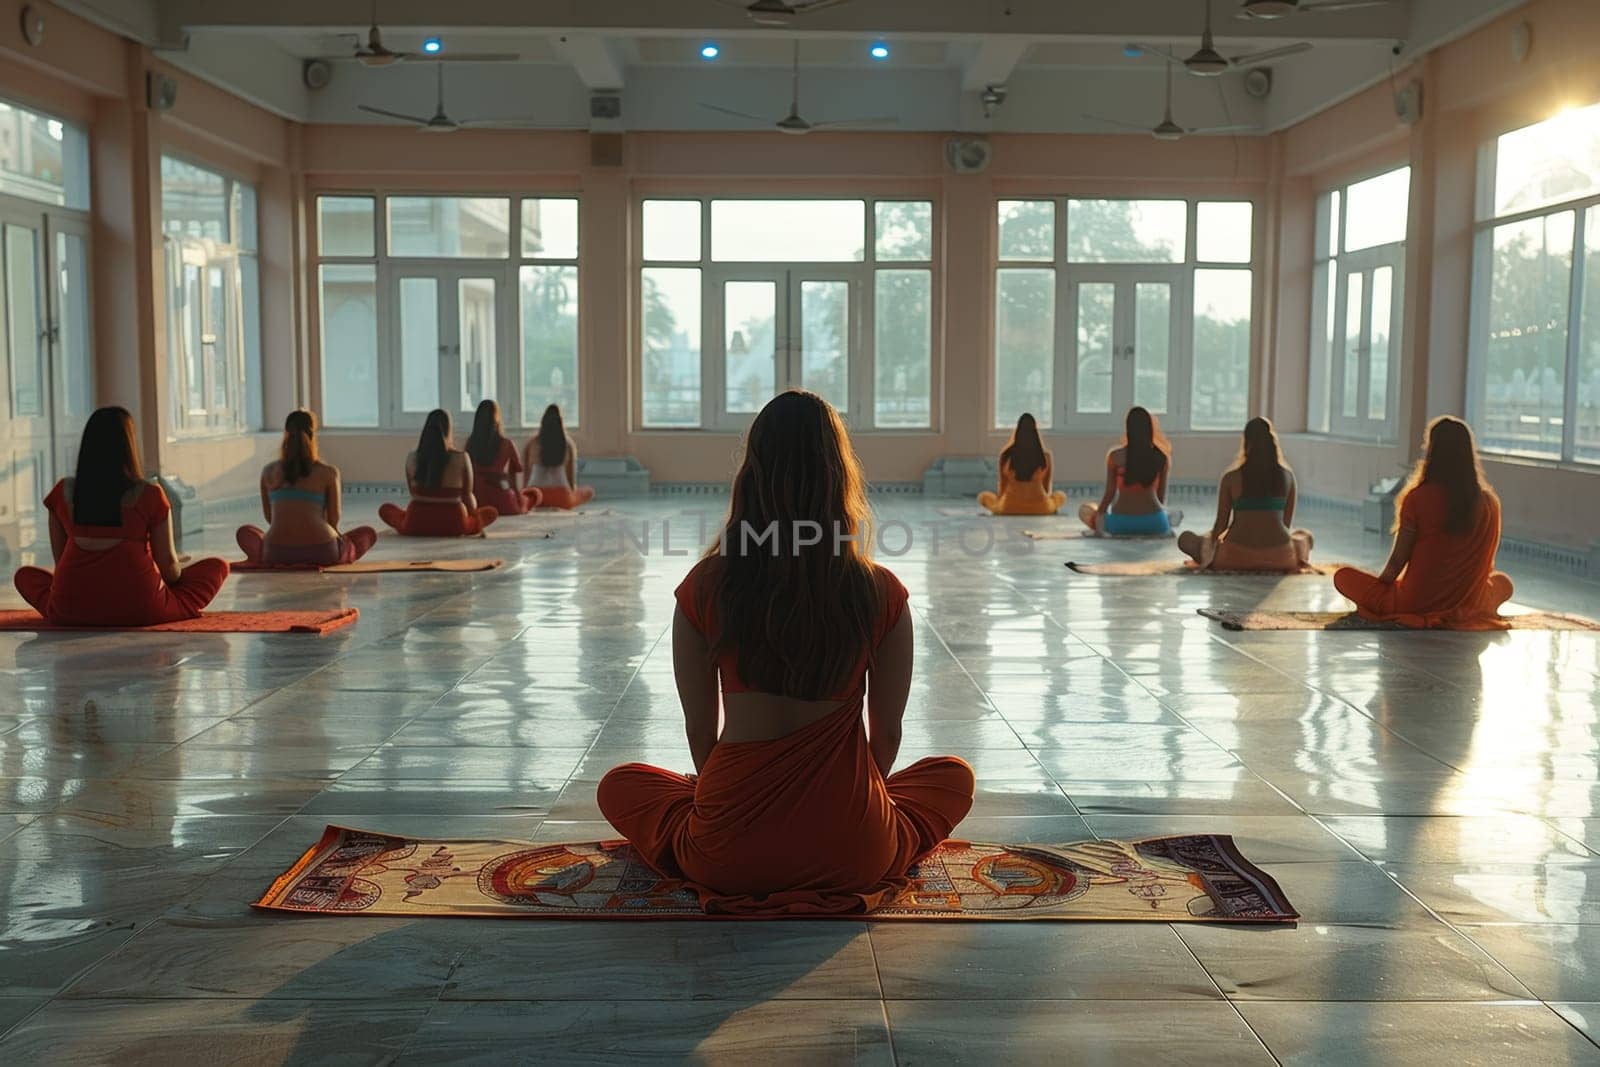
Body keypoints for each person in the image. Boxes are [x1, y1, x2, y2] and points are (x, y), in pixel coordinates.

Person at [596, 389, 975, 914]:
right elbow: (885, 736)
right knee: (952, 776)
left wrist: (733, 802)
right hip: (855, 854)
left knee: (621, 785)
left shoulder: (705, 587)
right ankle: (847, 823)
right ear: (838, 478)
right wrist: (843, 808)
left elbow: (701, 733)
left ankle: (734, 819)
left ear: (752, 473)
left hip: (726, 858)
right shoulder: (880, 592)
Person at [14, 406, 229, 625]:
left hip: (70, 611)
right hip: (143, 610)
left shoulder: (62, 493)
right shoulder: (150, 494)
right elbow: (170, 572)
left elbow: (61, 563)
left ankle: (72, 606)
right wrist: (172, 564)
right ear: (129, 447)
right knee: (218, 566)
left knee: (25, 577)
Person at [1333, 416, 1514, 629]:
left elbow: (1395, 564)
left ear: (1432, 452)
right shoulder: (1490, 503)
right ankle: (1467, 607)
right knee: (1503, 583)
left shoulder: (1418, 498)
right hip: (1467, 601)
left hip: (1413, 604)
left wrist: (1378, 590)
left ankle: (1413, 605)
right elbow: (1484, 565)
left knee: (1342, 576)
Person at [236, 410, 377, 567]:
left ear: (286, 434)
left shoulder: (268, 472)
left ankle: (261, 550)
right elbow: (333, 520)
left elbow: (270, 518)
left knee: (250, 533)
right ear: (312, 435)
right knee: (363, 535)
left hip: (276, 553)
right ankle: (348, 549)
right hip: (322, 552)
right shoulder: (328, 473)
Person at [1178, 417, 1314, 571]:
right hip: (1280, 558)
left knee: (1187, 539)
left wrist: (1208, 545)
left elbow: (1221, 526)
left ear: (1246, 442)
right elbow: (1286, 525)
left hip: (1233, 557)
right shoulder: (1288, 477)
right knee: (1305, 536)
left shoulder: (1231, 477)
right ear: (1272, 442)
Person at [378, 409, 499, 536]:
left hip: (416, 522)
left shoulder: (412, 457)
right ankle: (469, 524)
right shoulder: (462, 457)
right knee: (490, 513)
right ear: (449, 430)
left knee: (386, 510)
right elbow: (467, 496)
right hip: (454, 522)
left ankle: (410, 522)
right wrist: (473, 516)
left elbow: (414, 493)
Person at [1079, 406, 1182, 536]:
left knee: (1086, 511)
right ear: (1150, 428)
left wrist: (1099, 520)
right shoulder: (1162, 458)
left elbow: (1109, 494)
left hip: (1120, 523)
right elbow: (1161, 499)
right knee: (1170, 514)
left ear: (1128, 428)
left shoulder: (1115, 456)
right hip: (1155, 524)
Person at [978, 413, 1068, 516]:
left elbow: (1003, 486)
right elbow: (1046, 488)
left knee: (983, 496)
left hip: (1009, 507)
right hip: (1041, 508)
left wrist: (1000, 504)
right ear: (1035, 431)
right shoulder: (1045, 456)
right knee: (1061, 496)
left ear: (1017, 430)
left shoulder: (1006, 455)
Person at [466, 399, 542, 517]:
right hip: (501, 500)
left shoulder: (470, 444)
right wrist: (518, 502)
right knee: (535, 494)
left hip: (478, 500)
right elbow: (513, 481)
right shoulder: (507, 444)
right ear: (497, 419)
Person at [522, 404, 595, 510]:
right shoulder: (568, 444)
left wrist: (525, 497)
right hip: (561, 498)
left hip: (535, 497)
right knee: (589, 491)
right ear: (561, 423)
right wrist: (571, 496)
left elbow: (526, 476)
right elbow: (571, 479)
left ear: (543, 422)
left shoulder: (531, 443)